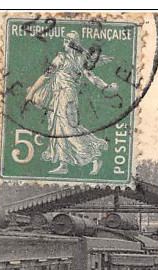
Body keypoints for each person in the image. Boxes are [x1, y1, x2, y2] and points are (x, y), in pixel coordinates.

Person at [24, 32, 117, 175]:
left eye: (67, 40)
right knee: (59, 129)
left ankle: (94, 158)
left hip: (65, 95)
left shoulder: (61, 58)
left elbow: (46, 76)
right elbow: (91, 77)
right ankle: (63, 164)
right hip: (62, 96)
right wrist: (104, 86)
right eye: (65, 40)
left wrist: (31, 93)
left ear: (72, 43)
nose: (64, 43)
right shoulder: (79, 59)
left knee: (68, 129)